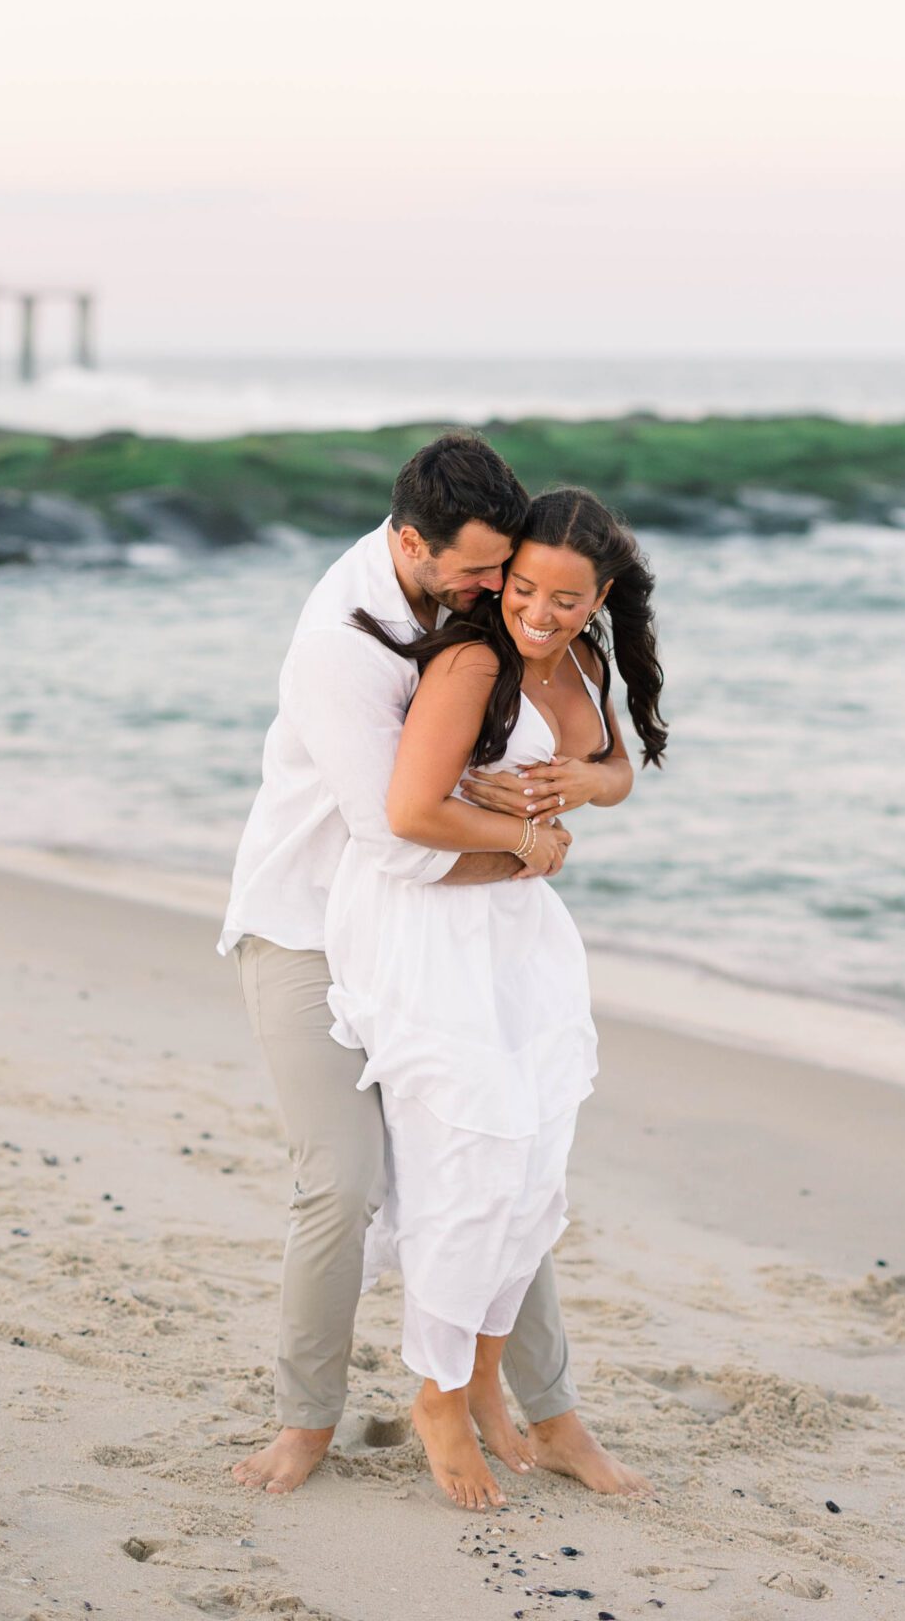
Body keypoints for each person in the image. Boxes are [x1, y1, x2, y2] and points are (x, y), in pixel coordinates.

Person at [218, 432, 647, 1498]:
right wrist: (528, 844)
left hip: (439, 922)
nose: (500, 589)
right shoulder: (341, 642)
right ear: (412, 542)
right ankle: (306, 1421)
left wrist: (571, 793)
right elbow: (401, 839)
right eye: (482, 573)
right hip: (313, 926)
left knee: (503, 1152)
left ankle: (547, 1413)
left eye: (509, 568)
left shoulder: (482, 610)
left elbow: (594, 751)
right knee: (345, 1183)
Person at [327, 485, 668, 1507]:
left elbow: (613, 768)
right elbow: (407, 812)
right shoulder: (474, 663)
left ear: (599, 594)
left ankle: (482, 1384)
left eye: (567, 598)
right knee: (466, 1167)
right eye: (524, 588)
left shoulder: (583, 659)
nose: (540, 612)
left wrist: (582, 788)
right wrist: (530, 837)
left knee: (531, 1176)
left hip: (519, 934)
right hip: (434, 933)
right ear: (505, 575)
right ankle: (437, 1393)